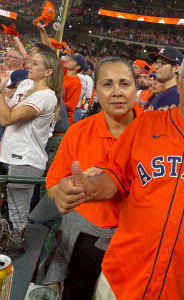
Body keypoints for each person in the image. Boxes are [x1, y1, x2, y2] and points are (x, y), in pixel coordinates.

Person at [53, 47, 184, 300]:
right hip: (123, 277)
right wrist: (88, 188)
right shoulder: (146, 124)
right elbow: (115, 176)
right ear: (180, 80)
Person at [44, 57, 138, 300]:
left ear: (136, 89)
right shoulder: (79, 132)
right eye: (107, 84)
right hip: (85, 237)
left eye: (124, 84)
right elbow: (54, 184)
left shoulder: (155, 130)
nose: (117, 92)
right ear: (96, 92)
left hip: (136, 240)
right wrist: (67, 191)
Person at [0, 51, 63, 234]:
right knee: (14, 212)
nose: (28, 65)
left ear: (48, 72)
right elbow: (8, 110)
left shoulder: (45, 95)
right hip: (15, 154)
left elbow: (7, 119)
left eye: (35, 64)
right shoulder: (28, 85)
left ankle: (21, 252)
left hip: (25, 158)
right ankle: (16, 246)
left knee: (18, 215)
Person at [146, 46, 183, 111]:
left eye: (162, 63)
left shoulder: (174, 94)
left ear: (176, 68)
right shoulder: (165, 91)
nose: (156, 66)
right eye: (157, 62)